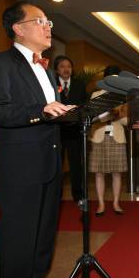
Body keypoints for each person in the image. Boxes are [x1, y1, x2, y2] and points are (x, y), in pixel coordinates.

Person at [0, 1, 74, 278]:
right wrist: (40, 111)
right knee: (20, 233)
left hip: (49, 161)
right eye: (40, 20)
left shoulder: (44, 67)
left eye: (49, 21)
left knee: (44, 231)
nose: (48, 26)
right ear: (18, 28)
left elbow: (49, 111)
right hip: (20, 165)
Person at [88, 65, 128, 216]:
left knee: (117, 172)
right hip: (99, 136)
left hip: (116, 137)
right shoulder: (96, 95)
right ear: (104, 79)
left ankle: (116, 203)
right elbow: (92, 118)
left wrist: (120, 115)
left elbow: (126, 121)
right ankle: (101, 204)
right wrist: (106, 115)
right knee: (99, 173)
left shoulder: (122, 97)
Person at [54, 55, 88, 203]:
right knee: (56, 165)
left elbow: (85, 105)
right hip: (57, 131)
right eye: (62, 66)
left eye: (68, 66)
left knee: (76, 165)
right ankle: (56, 194)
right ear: (56, 70)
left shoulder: (79, 84)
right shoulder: (52, 83)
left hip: (75, 131)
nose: (66, 69)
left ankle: (77, 194)